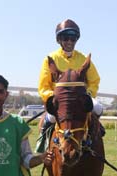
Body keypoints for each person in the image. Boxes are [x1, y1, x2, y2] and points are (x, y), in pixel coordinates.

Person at [37, 18, 104, 150]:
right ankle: (43, 141)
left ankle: (94, 139)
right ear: (59, 40)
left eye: (73, 39)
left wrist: (88, 94)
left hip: (79, 100)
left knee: (98, 108)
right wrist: (54, 97)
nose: (69, 42)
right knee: (50, 118)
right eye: (66, 38)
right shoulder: (50, 59)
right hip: (60, 101)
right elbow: (44, 86)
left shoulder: (83, 59)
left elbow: (94, 80)